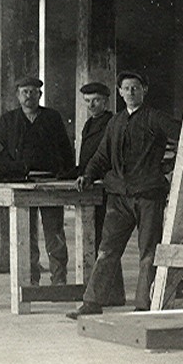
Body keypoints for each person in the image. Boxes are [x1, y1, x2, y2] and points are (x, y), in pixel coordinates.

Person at [67, 70, 177, 318]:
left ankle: (144, 305)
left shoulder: (154, 118)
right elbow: (102, 155)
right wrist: (88, 175)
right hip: (119, 196)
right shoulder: (115, 122)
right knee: (107, 249)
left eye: (135, 87)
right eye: (126, 88)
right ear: (119, 92)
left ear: (144, 90)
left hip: (148, 195)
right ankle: (92, 302)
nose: (130, 92)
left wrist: (172, 165)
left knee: (148, 252)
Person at [0, 74, 75, 286]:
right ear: (17, 95)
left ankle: (59, 280)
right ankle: (31, 280)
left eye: (33, 92)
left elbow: (65, 149)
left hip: (50, 183)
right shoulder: (8, 120)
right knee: (26, 235)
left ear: (40, 95)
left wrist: (66, 175)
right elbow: (0, 153)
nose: (29, 95)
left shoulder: (52, 118)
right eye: (25, 92)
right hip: (22, 184)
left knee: (55, 232)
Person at [74, 81, 114, 243]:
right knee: (93, 229)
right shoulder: (89, 123)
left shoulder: (112, 122)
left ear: (105, 102)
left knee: (103, 231)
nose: (91, 105)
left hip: (104, 182)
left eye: (96, 100)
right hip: (90, 180)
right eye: (87, 101)